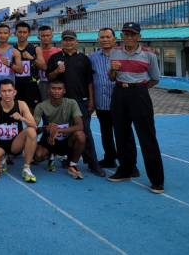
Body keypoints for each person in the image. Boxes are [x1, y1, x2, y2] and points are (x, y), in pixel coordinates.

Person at [108, 22, 165, 194]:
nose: (129, 37)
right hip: (119, 92)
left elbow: (155, 78)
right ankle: (125, 170)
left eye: (132, 34)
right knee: (121, 134)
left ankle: (157, 180)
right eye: (126, 34)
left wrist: (139, 89)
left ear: (139, 37)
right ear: (122, 36)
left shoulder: (149, 55)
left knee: (147, 136)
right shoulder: (115, 52)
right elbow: (111, 77)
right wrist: (113, 70)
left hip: (139, 94)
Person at [47, 30, 105, 177]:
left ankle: (93, 164)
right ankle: (69, 159)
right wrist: (57, 71)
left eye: (71, 40)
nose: (68, 42)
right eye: (65, 40)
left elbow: (89, 82)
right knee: (65, 131)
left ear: (76, 42)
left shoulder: (84, 59)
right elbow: (49, 77)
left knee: (85, 132)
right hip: (61, 103)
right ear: (62, 42)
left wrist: (91, 101)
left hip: (80, 102)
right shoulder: (55, 58)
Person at [0, 79, 38, 183]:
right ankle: (2, 158)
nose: (7, 94)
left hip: (15, 144)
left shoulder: (21, 105)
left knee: (31, 131)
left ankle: (26, 168)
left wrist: (22, 118)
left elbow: (34, 126)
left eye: (9, 90)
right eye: (4, 91)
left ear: (14, 92)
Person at [34, 80, 86, 179]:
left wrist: (58, 130)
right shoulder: (41, 106)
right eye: (53, 88)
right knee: (38, 156)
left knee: (80, 135)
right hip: (49, 139)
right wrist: (45, 128)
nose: (56, 91)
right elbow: (33, 129)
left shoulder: (72, 103)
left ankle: (73, 164)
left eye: (59, 89)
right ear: (48, 90)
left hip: (67, 140)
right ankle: (50, 155)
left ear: (64, 91)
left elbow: (80, 126)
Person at [89, 28, 121, 168]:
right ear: (98, 39)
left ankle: (128, 162)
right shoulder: (92, 57)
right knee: (106, 133)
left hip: (119, 103)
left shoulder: (122, 55)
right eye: (102, 37)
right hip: (101, 102)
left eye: (108, 37)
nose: (105, 40)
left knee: (122, 134)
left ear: (114, 39)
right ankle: (110, 158)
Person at [13, 21, 45, 114]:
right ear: (16, 33)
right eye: (20, 32)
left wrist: (32, 58)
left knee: (31, 115)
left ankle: (31, 129)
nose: (22, 34)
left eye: (24, 32)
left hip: (31, 86)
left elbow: (43, 66)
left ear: (29, 33)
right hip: (16, 85)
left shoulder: (35, 49)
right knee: (16, 114)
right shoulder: (11, 49)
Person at [0, 24, 22, 109]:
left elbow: (20, 70)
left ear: (9, 34)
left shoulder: (14, 52)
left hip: (9, 92)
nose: (2, 35)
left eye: (5, 33)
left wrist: (10, 64)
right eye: (0, 33)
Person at [37, 26, 61, 101]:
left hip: (57, 83)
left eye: (48, 35)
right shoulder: (35, 51)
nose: (45, 38)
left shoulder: (59, 51)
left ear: (52, 36)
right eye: (43, 36)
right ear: (39, 37)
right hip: (42, 83)